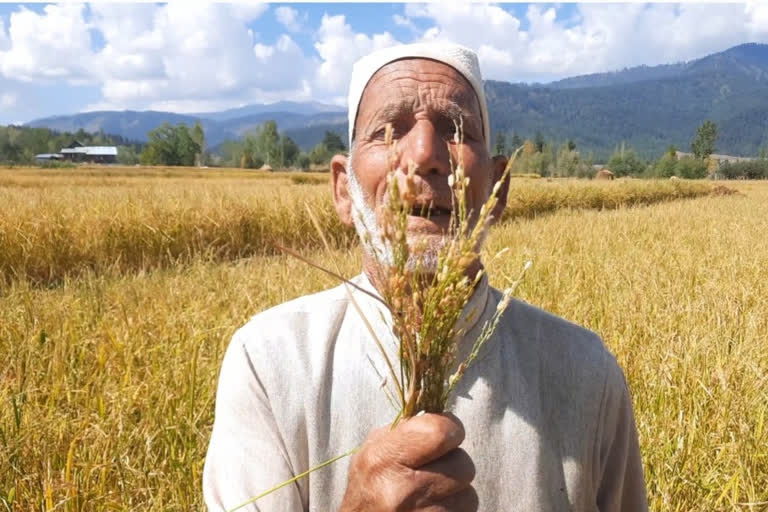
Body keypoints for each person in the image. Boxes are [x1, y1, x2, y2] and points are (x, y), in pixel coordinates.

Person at [203, 42, 648, 512]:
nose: (424, 153)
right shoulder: (271, 361)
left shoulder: (584, 372)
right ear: (343, 190)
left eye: (456, 130)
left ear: (498, 190)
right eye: (387, 130)